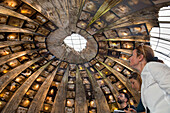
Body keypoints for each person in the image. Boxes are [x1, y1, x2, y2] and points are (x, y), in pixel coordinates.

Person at [128, 44, 170, 113]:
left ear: (140, 57)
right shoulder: (144, 77)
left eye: (132, 55)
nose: (129, 58)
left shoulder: (153, 66)